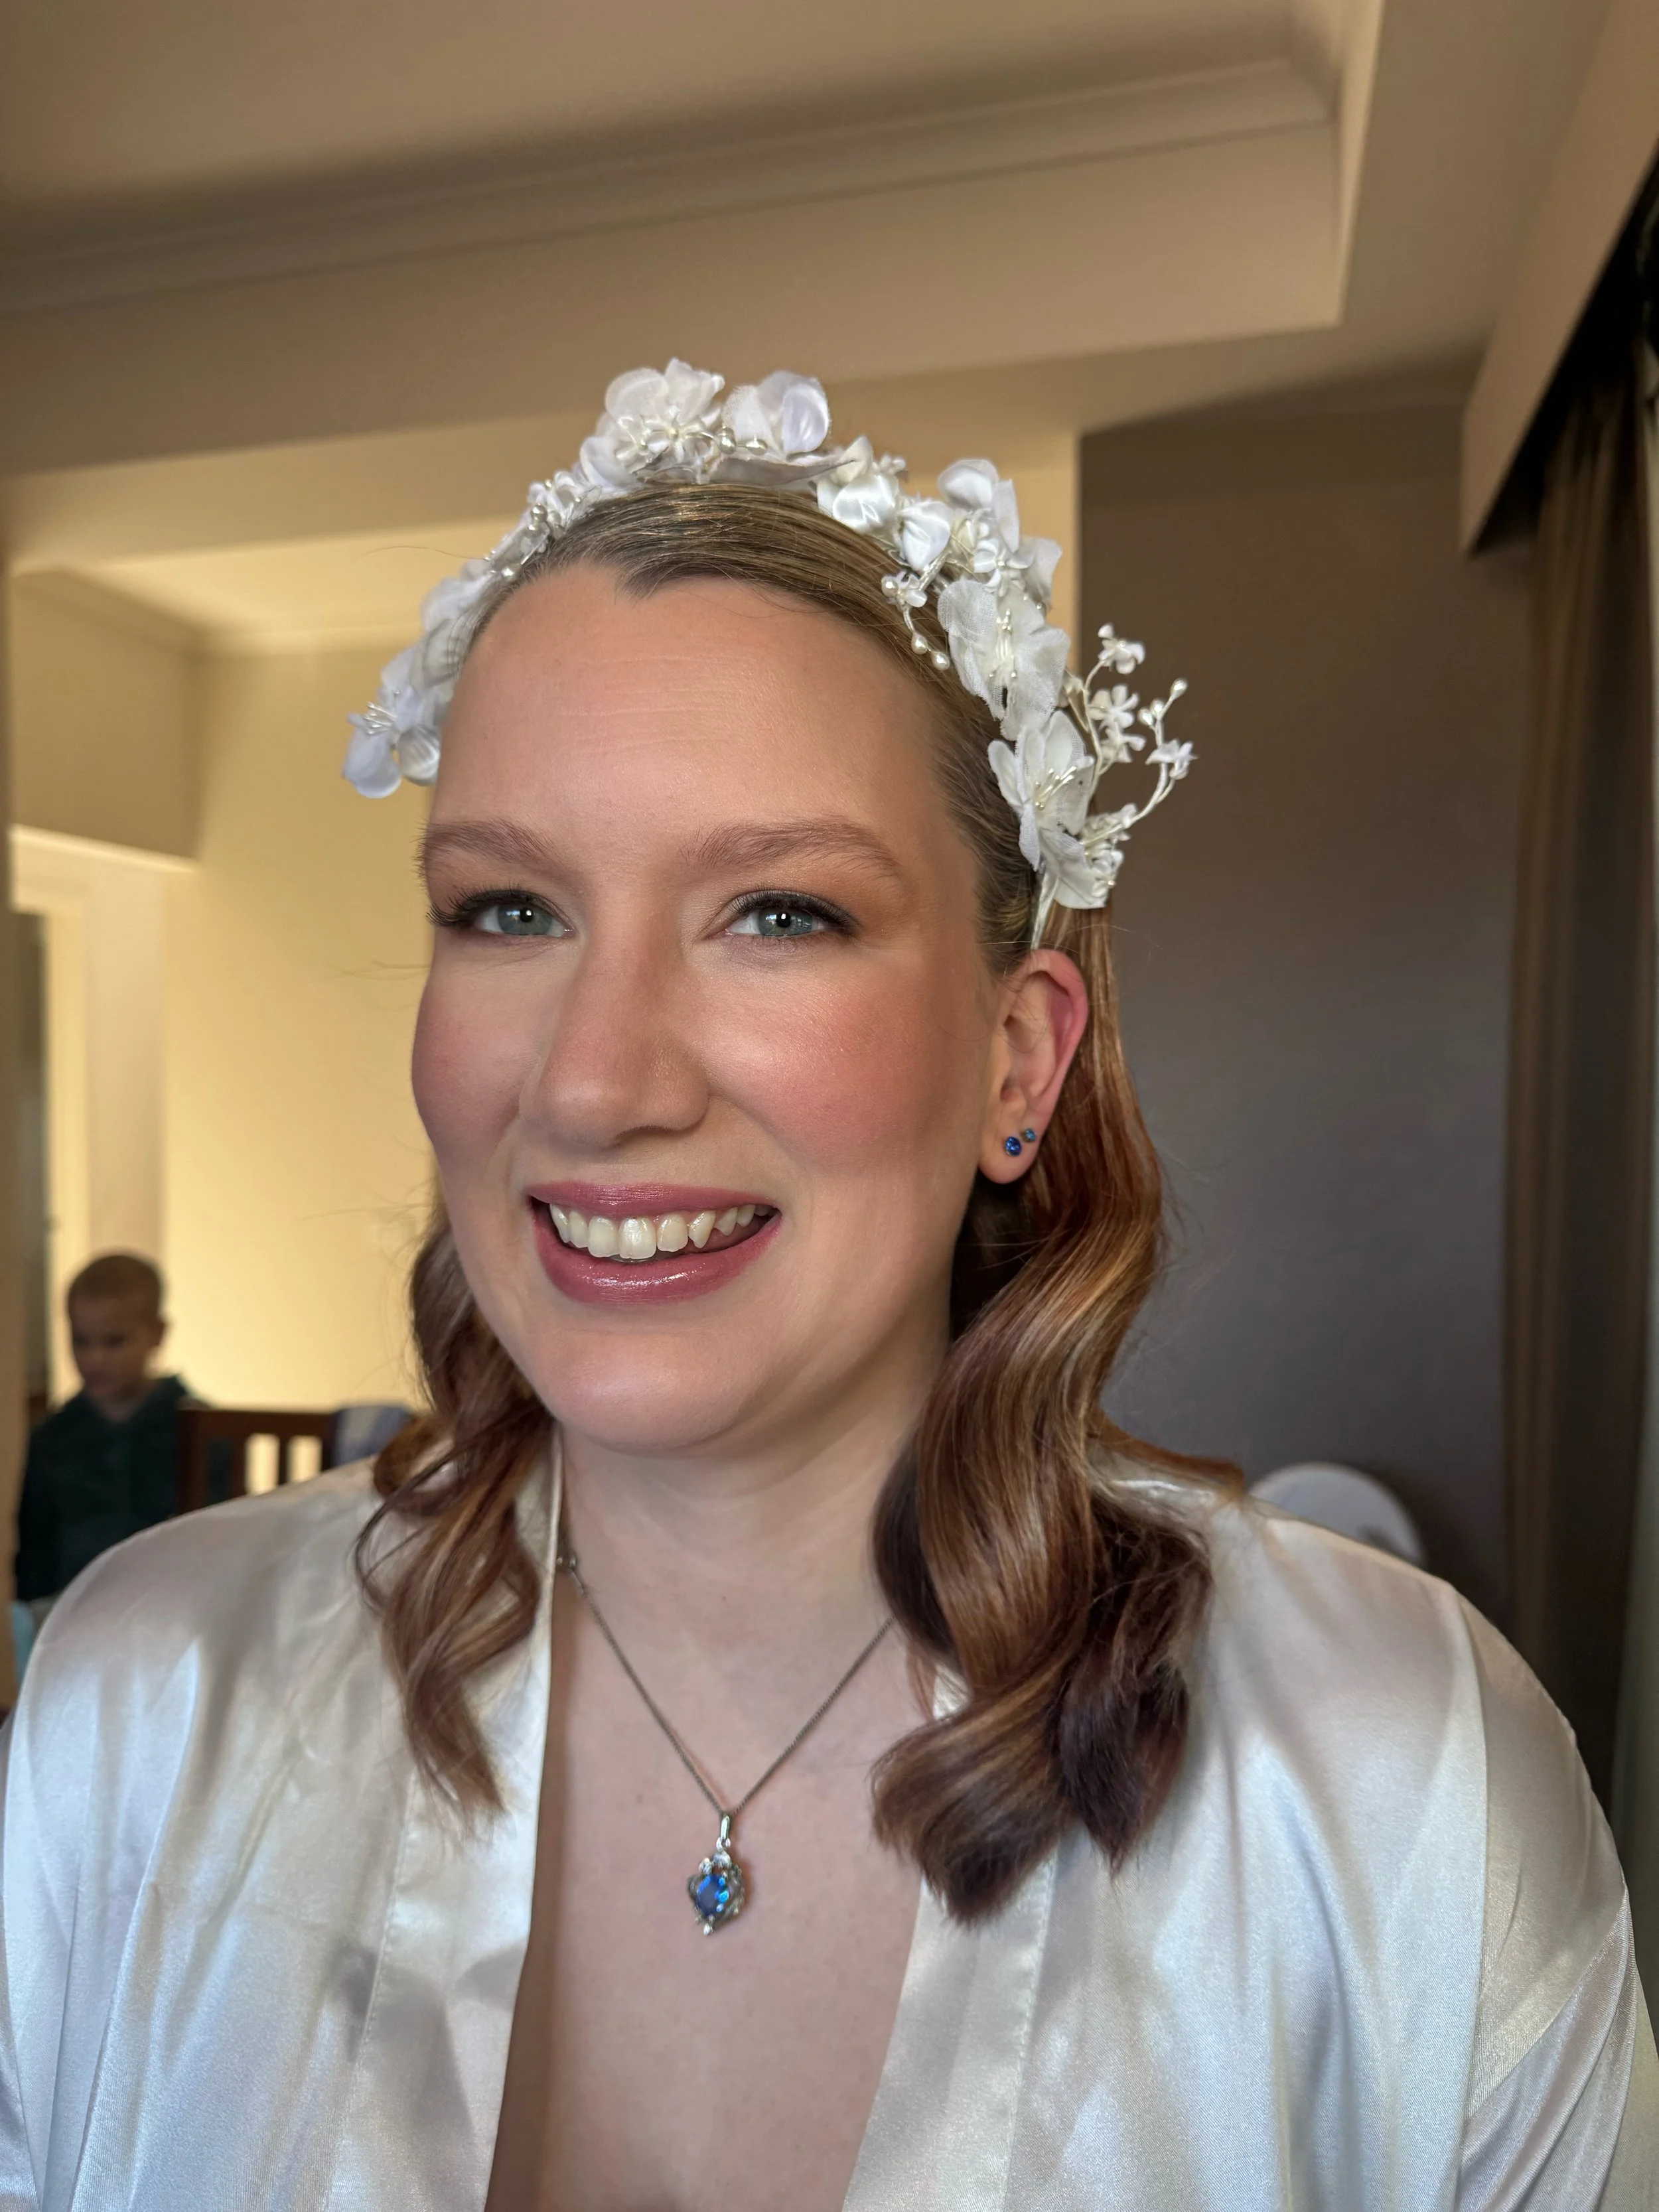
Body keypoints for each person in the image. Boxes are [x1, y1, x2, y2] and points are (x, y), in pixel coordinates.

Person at [0, 362, 1651, 2211]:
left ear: (1020, 1063)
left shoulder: (1391, 1782)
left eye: (777, 912)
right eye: (507, 908)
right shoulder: (144, 1701)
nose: (595, 1080)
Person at [12, 1253, 195, 1614]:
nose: (95, 1358)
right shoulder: (52, 1437)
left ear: (157, 1334)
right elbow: (34, 1548)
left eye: (115, 1342)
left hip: (174, 1613)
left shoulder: (196, 1427)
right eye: (81, 1341)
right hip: (75, 1618)